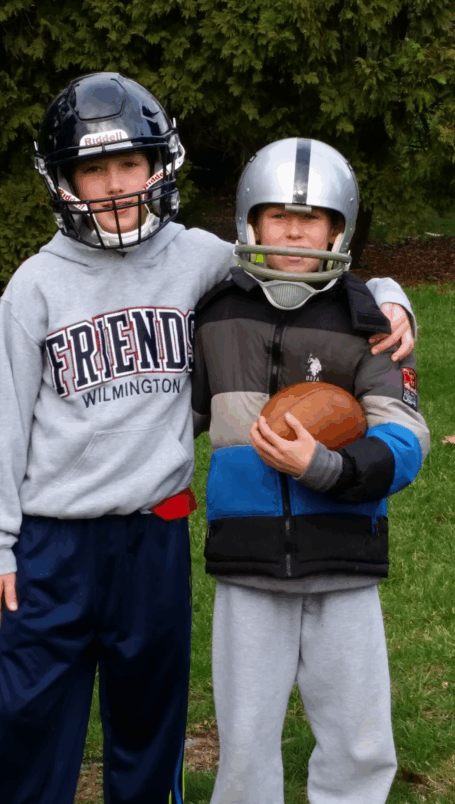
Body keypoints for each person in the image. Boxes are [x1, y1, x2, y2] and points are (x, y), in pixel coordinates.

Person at [0, 73, 415, 804]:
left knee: (149, 719)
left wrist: (391, 297)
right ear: (64, 180)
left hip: (154, 533)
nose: (114, 186)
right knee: (33, 712)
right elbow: (1, 421)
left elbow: (304, 266)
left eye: (129, 165)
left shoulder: (198, 256)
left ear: (159, 168)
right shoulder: (35, 286)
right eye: (93, 168)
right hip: (53, 539)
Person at [191, 138, 430, 804]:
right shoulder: (216, 317)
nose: (295, 230)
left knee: (359, 742)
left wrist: (325, 465)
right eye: (278, 215)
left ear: (339, 228)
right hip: (247, 566)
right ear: (249, 223)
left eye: (313, 217)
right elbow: (174, 423)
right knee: (243, 747)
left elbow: (407, 438)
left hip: (343, 560)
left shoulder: (367, 322)